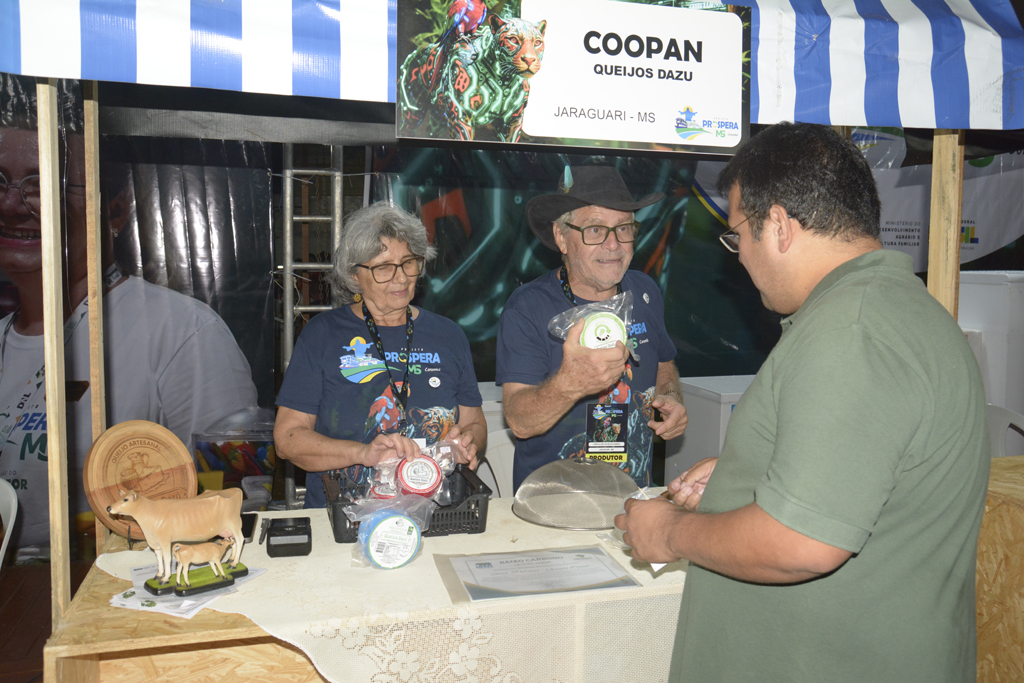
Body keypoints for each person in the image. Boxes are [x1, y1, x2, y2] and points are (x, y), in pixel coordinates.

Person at [616, 123, 990, 682]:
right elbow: (874, 473)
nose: (739, 257)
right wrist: (751, 471)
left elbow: (802, 543)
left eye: (737, 236)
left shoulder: (850, 332)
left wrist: (667, 533)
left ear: (779, 226)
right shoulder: (896, 310)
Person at [0, 76, 258, 559]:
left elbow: (225, 497)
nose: (11, 203)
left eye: (42, 183)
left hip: (110, 584)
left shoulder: (181, 333)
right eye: (0, 181)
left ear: (114, 210)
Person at [274, 202, 485, 507]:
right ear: (354, 275)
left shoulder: (448, 335)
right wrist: (362, 454)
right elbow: (287, 439)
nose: (400, 278)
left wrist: (468, 442)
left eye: (408, 262)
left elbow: (474, 421)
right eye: (383, 268)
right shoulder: (322, 335)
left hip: (436, 511)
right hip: (344, 515)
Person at [495, 165, 687, 492]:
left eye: (623, 228)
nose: (613, 244)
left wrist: (670, 397)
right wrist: (570, 383)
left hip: (633, 497)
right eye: (595, 230)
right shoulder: (527, 308)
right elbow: (519, 421)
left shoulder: (645, 291)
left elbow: (663, 363)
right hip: (553, 502)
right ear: (561, 237)